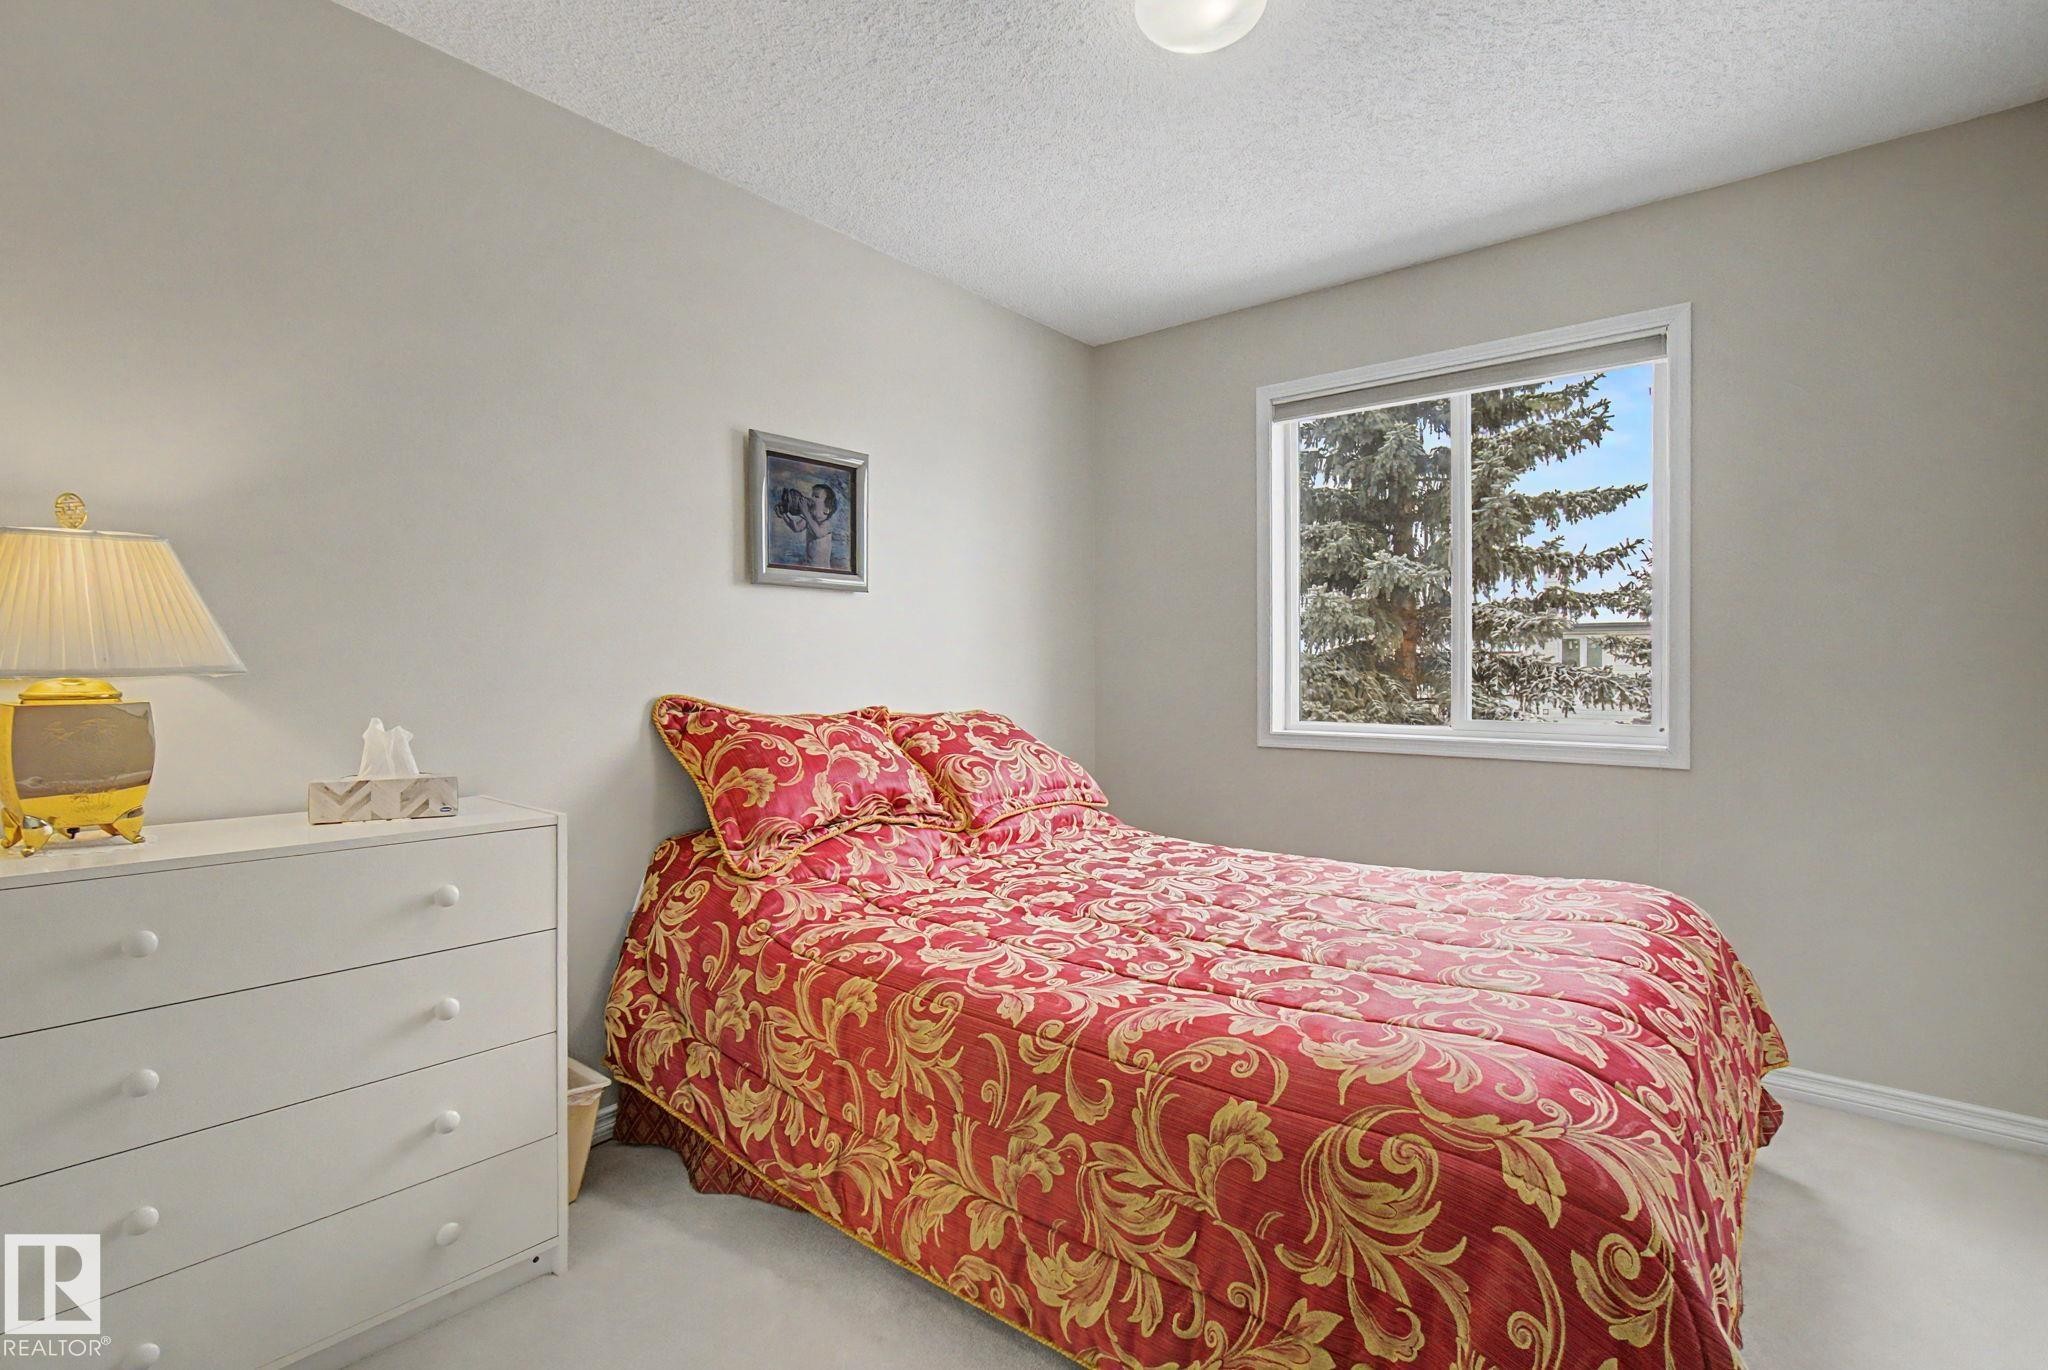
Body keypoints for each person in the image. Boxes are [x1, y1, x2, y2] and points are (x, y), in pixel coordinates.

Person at [777, 481, 840, 568]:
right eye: (812, 496)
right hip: (809, 565)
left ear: (826, 509)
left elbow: (817, 533)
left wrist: (806, 512)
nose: (811, 499)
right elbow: (796, 528)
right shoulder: (809, 519)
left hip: (822, 568)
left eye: (816, 496)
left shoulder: (826, 524)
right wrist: (784, 515)